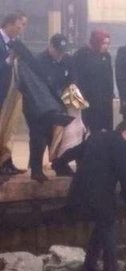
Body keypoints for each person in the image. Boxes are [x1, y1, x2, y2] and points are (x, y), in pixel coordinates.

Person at [67, 121, 126, 271]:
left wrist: (58, 164)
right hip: (102, 194)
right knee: (110, 230)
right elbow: (124, 175)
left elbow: (74, 151)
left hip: (82, 191)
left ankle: (89, 266)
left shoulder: (96, 136)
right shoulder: (120, 144)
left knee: (101, 227)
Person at [22, 34, 75, 183]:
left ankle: (59, 165)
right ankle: (36, 169)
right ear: (50, 46)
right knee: (39, 137)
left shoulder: (68, 60)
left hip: (57, 105)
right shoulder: (38, 62)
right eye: (58, 51)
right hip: (37, 106)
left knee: (58, 137)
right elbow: (33, 88)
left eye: (63, 51)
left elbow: (71, 81)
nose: (61, 54)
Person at [0, 11, 28, 176]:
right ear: (9, 24)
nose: (20, 30)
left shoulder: (15, 43)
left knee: (8, 129)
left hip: (10, 92)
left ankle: (6, 161)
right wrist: (8, 61)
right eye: (18, 26)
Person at [74, 29, 114, 132]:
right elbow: (77, 77)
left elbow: (109, 77)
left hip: (103, 101)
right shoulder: (82, 54)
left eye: (108, 43)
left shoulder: (106, 56)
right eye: (103, 43)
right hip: (86, 100)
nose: (106, 46)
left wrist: (110, 94)